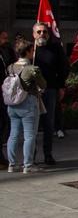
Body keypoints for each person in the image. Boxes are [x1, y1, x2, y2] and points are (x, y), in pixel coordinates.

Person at [6, 39, 47, 173]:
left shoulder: (10, 67)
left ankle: (12, 164)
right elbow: (43, 85)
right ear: (28, 51)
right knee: (30, 136)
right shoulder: (32, 68)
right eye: (32, 50)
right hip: (28, 103)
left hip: (12, 104)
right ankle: (28, 165)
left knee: (13, 135)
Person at [32, 22, 68, 165]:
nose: (42, 34)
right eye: (39, 32)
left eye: (45, 32)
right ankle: (31, 156)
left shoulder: (55, 48)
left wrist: (61, 86)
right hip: (32, 93)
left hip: (50, 90)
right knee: (32, 125)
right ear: (34, 34)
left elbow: (64, 68)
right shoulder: (30, 50)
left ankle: (48, 154)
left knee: (48, 123)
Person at [0, 30, 15, 165]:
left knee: (4, 121)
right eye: (3, 38)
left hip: (4, 91)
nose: (6, 40)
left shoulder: (6, 50)